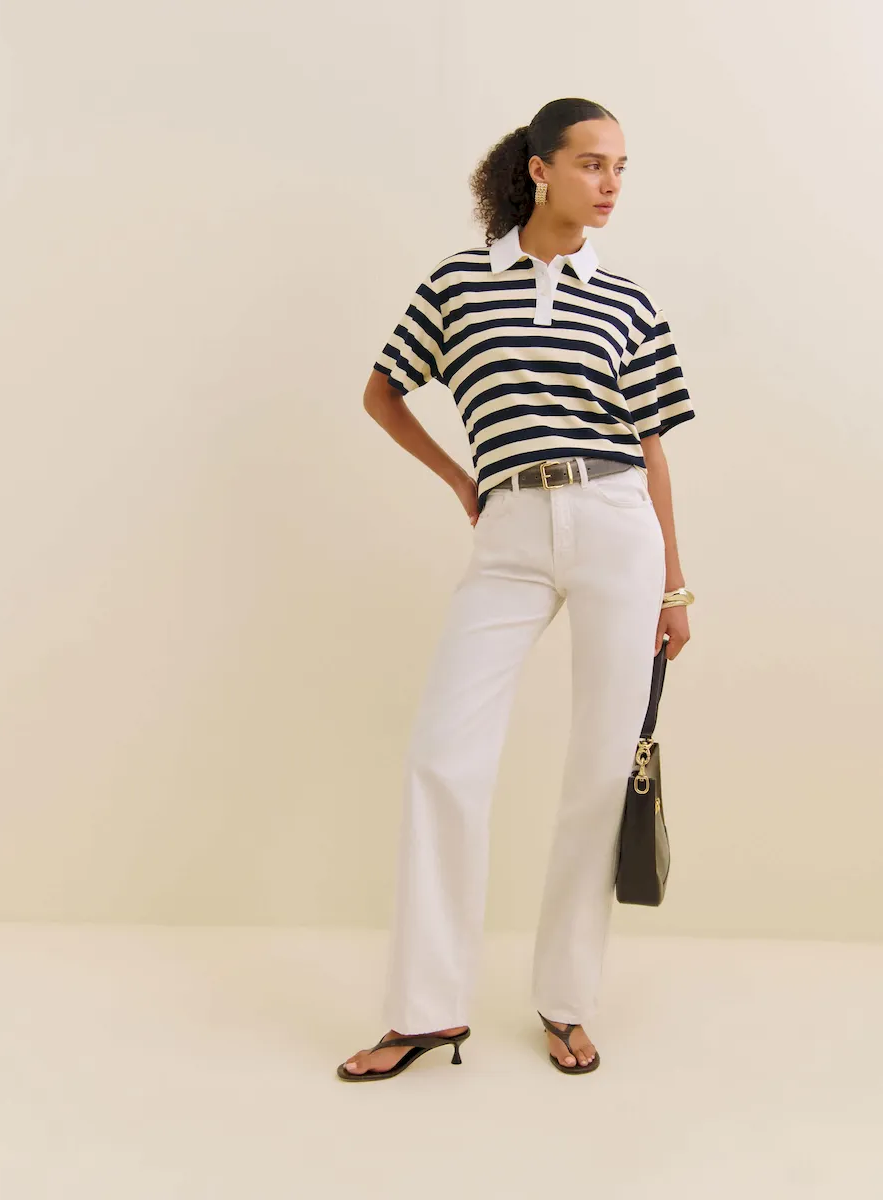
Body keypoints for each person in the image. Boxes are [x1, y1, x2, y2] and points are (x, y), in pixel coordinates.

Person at [338, 96, 696, 1081]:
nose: (611, 183)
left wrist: (674, 586)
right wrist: (462, 480)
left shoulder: (627, 299)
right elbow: (382, 391)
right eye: (591, 164)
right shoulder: (459, 283)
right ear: (539, 170)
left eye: (620, 167)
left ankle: (567, 1003)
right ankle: (425, 1012)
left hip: (617, 521)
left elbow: (653, 449)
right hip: (509, 528)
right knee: (441, 755)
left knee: (600, 766)